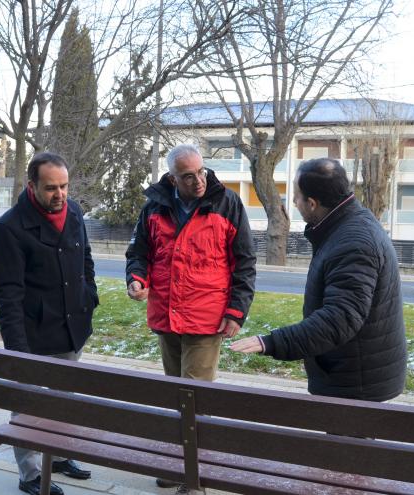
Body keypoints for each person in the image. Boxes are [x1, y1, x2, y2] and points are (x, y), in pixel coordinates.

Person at [126, 144, 256, 492]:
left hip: (206, 318)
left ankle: (194, 477)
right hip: (166, 316)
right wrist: (137, 279)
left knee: (193, 399)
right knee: (175, 395)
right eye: (188, 176)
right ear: (173, 178)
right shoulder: (154, 206)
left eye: (201, 172)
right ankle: (180, 465)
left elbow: (245, 261)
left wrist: (236, 311)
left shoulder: (226, 203)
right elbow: (139, 252)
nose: (199, 180)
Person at [230, 158, 406, 402]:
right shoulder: (347, 225)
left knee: (346, 442)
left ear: (312, 204)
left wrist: (273, 342)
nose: (292, 201)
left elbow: (339, 319)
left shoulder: (353, 243)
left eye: (297, 195)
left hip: (356, 382)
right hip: (353, 372)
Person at [0, 152, 98, 495]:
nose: (60, 194)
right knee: (29, 404)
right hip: (34, 333)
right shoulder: (9, 228)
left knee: (65, 399)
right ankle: (31, 474)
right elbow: (7, 296)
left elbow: (86, 258)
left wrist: (89, 295)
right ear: (31, 185)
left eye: (64, 186)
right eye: (51, 187)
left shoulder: (75, 212)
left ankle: (61, 455)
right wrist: (18, 353)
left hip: (72, 328)